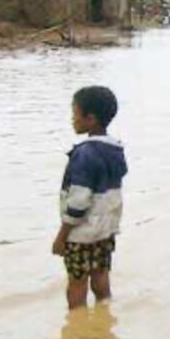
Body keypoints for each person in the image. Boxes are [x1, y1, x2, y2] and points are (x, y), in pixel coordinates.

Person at [52, 86, 128, 310]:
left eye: (75, 114)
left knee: (76, 282)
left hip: (81, 233)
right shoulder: (116, 150)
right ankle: (104, 312)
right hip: (106, 228)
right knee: (100, 272)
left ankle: (77, 325)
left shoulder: (84, 154)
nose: (72, 119)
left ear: (90, 119)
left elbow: (79, 202)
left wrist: (62, 236)